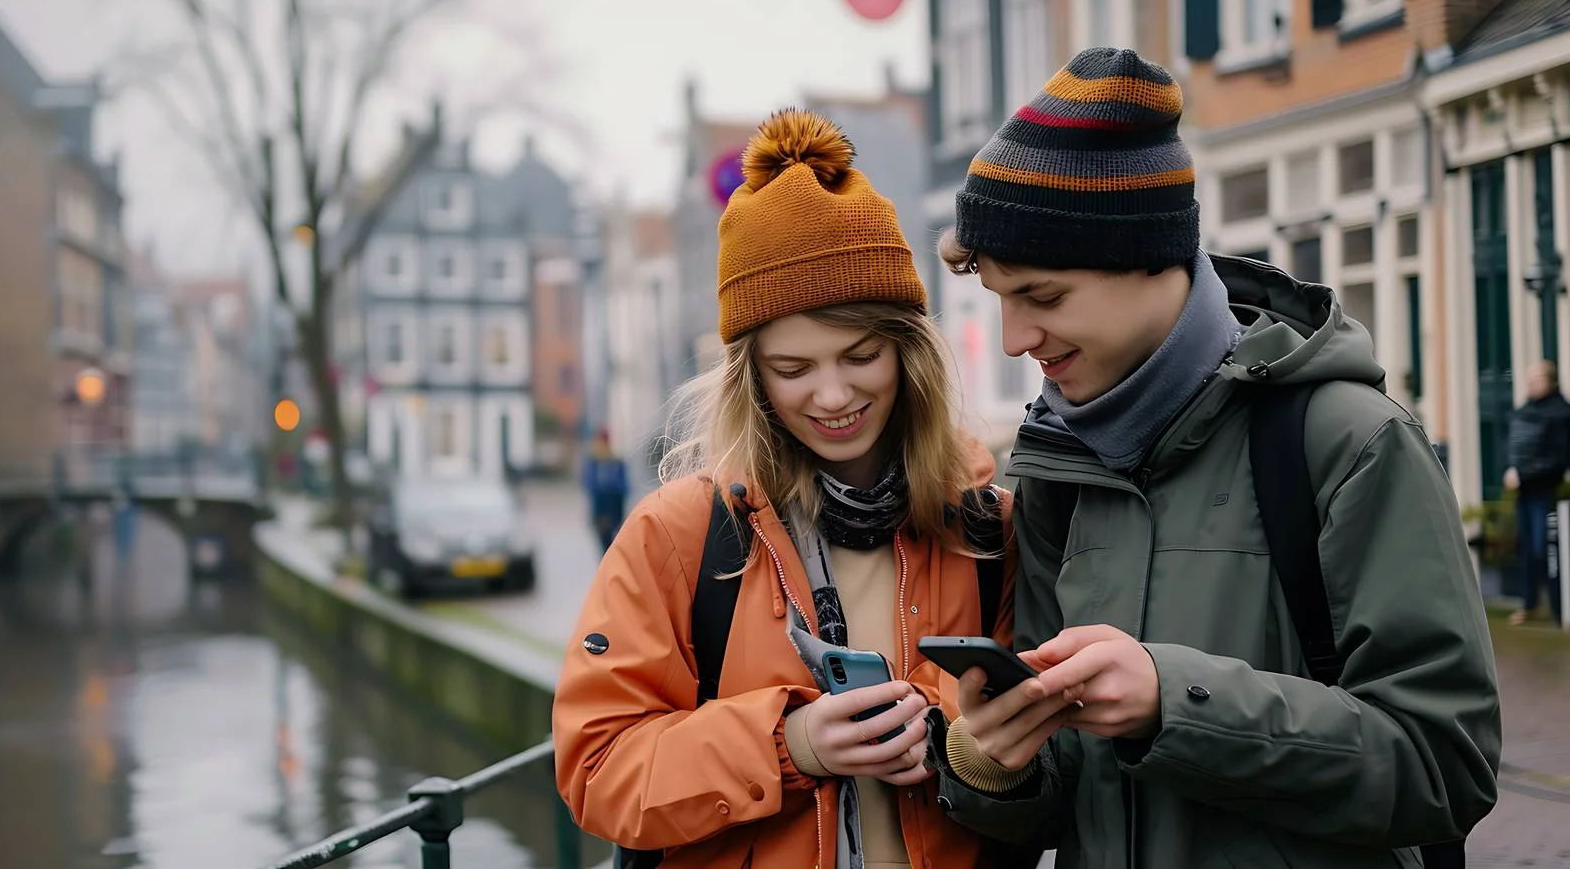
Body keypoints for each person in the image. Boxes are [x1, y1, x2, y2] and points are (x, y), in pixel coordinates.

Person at [925, 47, 1502, 868]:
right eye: (1000, 301)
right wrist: (996, 765)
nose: (1015, 339)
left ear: (1151, 256)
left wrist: (1176, 702)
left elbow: (1447, 765)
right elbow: (1068, 799)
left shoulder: (1351, 442)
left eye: (1043, 297)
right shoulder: (1053, 467)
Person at [553, 108, 1019, 869]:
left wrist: (946, 732)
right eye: (793, 369)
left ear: (909, 353)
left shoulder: (987, 528)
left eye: (861, 355)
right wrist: (789, 742)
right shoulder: (677, 536)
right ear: (752, 377)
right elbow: (596, 767)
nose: (832, 395)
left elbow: (1032, 750)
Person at [1504, 359, 1570, 626]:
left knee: (1547, 549)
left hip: (1546, 491)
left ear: (1550, 381)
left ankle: (1557, 606)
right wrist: (1510, 467)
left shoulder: (1560, 414)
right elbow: (1512, 442)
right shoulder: (1524, 411)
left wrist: (1526, 472)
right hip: (1525, 491)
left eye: (1536, 380)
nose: (1530, 385)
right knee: (1528, 550)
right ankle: (1530, 604)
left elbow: (1559, 456)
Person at [582, 428, 631, 552]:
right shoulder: (594, 463)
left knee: (611, 547)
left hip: (614, 512)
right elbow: (589, 486)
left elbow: (624, 488)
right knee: (605, 547)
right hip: (601, 512)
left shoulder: (616, 463)